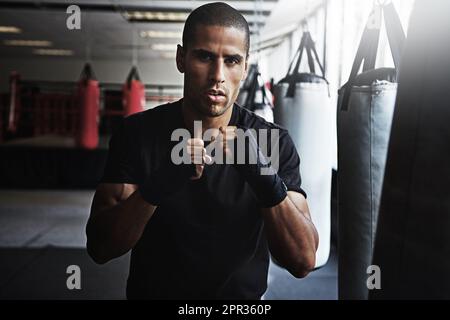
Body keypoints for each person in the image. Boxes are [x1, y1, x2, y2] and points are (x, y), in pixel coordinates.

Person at [86, 2, 318, 300]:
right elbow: (101, 248)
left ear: (245, 67)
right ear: (181, 58)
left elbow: (303, 261)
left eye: (232, 60)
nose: (217, 74)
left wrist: (266, 180)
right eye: (205, 56)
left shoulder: (273, 142)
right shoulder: (138, 134)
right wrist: (155, 188)